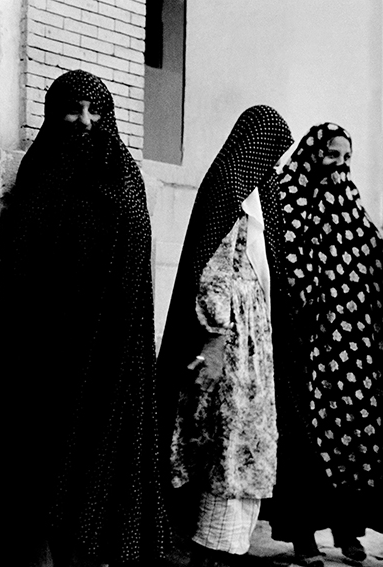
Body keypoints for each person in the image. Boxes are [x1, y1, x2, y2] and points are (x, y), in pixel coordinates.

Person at [0, 69, 171, 566]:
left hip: (107, 348)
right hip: (44, 346)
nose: (84, 120)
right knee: (44, 463)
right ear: (53, 112)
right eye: (73, 109)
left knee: (94, 468)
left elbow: (133, 268)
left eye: (94, 110)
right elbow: (17, 228)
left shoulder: (123, 176)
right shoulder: (40, 170)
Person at [157, 105, 294, 566]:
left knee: (245, 435)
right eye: (271, 152)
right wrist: (215, 337)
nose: (275, 164)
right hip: (230, 339)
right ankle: (211, 549)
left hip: (254, 337)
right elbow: (213, 271)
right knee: (223, 437)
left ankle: (228, 548)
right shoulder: (228, 189)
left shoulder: (258, 192)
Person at [267, 123, 383, 565]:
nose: (339, 166)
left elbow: (369, 247)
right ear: (314, 152)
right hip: (303, 339)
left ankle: (348, 533)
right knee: (306, 440)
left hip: (348, 346)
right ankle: (303, 539)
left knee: (351, 434)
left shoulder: (346, 198)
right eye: (332, 155)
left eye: (346, 158)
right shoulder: (287, 193)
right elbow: (282, 260)